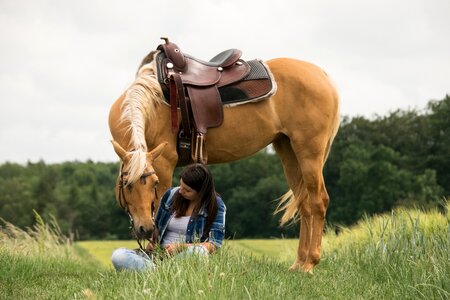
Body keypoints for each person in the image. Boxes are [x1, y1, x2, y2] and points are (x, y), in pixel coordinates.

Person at [111, 163, 226, 271]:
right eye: (181, 185)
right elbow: (157, 226)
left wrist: (181, 247)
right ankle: (160, 272)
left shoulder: (216, 205)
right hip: (158, 255)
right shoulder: (171, 195)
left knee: (199, 253)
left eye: (187, 190)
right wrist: (153, 242)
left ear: (201, 192)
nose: (181, 191)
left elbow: (214, 244)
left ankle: (154, 272)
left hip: (184, 256)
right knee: (118, 256)